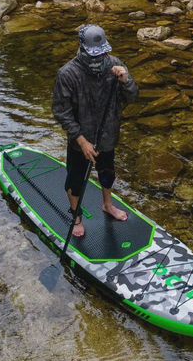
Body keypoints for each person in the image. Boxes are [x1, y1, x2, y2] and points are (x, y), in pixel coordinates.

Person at [52, 24, 138, 238]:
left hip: (108, 135)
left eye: (103, 54)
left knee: (107, 174)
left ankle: (107, 205)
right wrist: (81, 141)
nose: (99, 59)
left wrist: (125, 81)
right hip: (80, 141)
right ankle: (76, 215)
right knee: (75, 180)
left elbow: (133, 97)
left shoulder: (116, 65)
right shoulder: (67, 74)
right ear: (82, 48)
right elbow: (61, 112)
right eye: (94, 55)